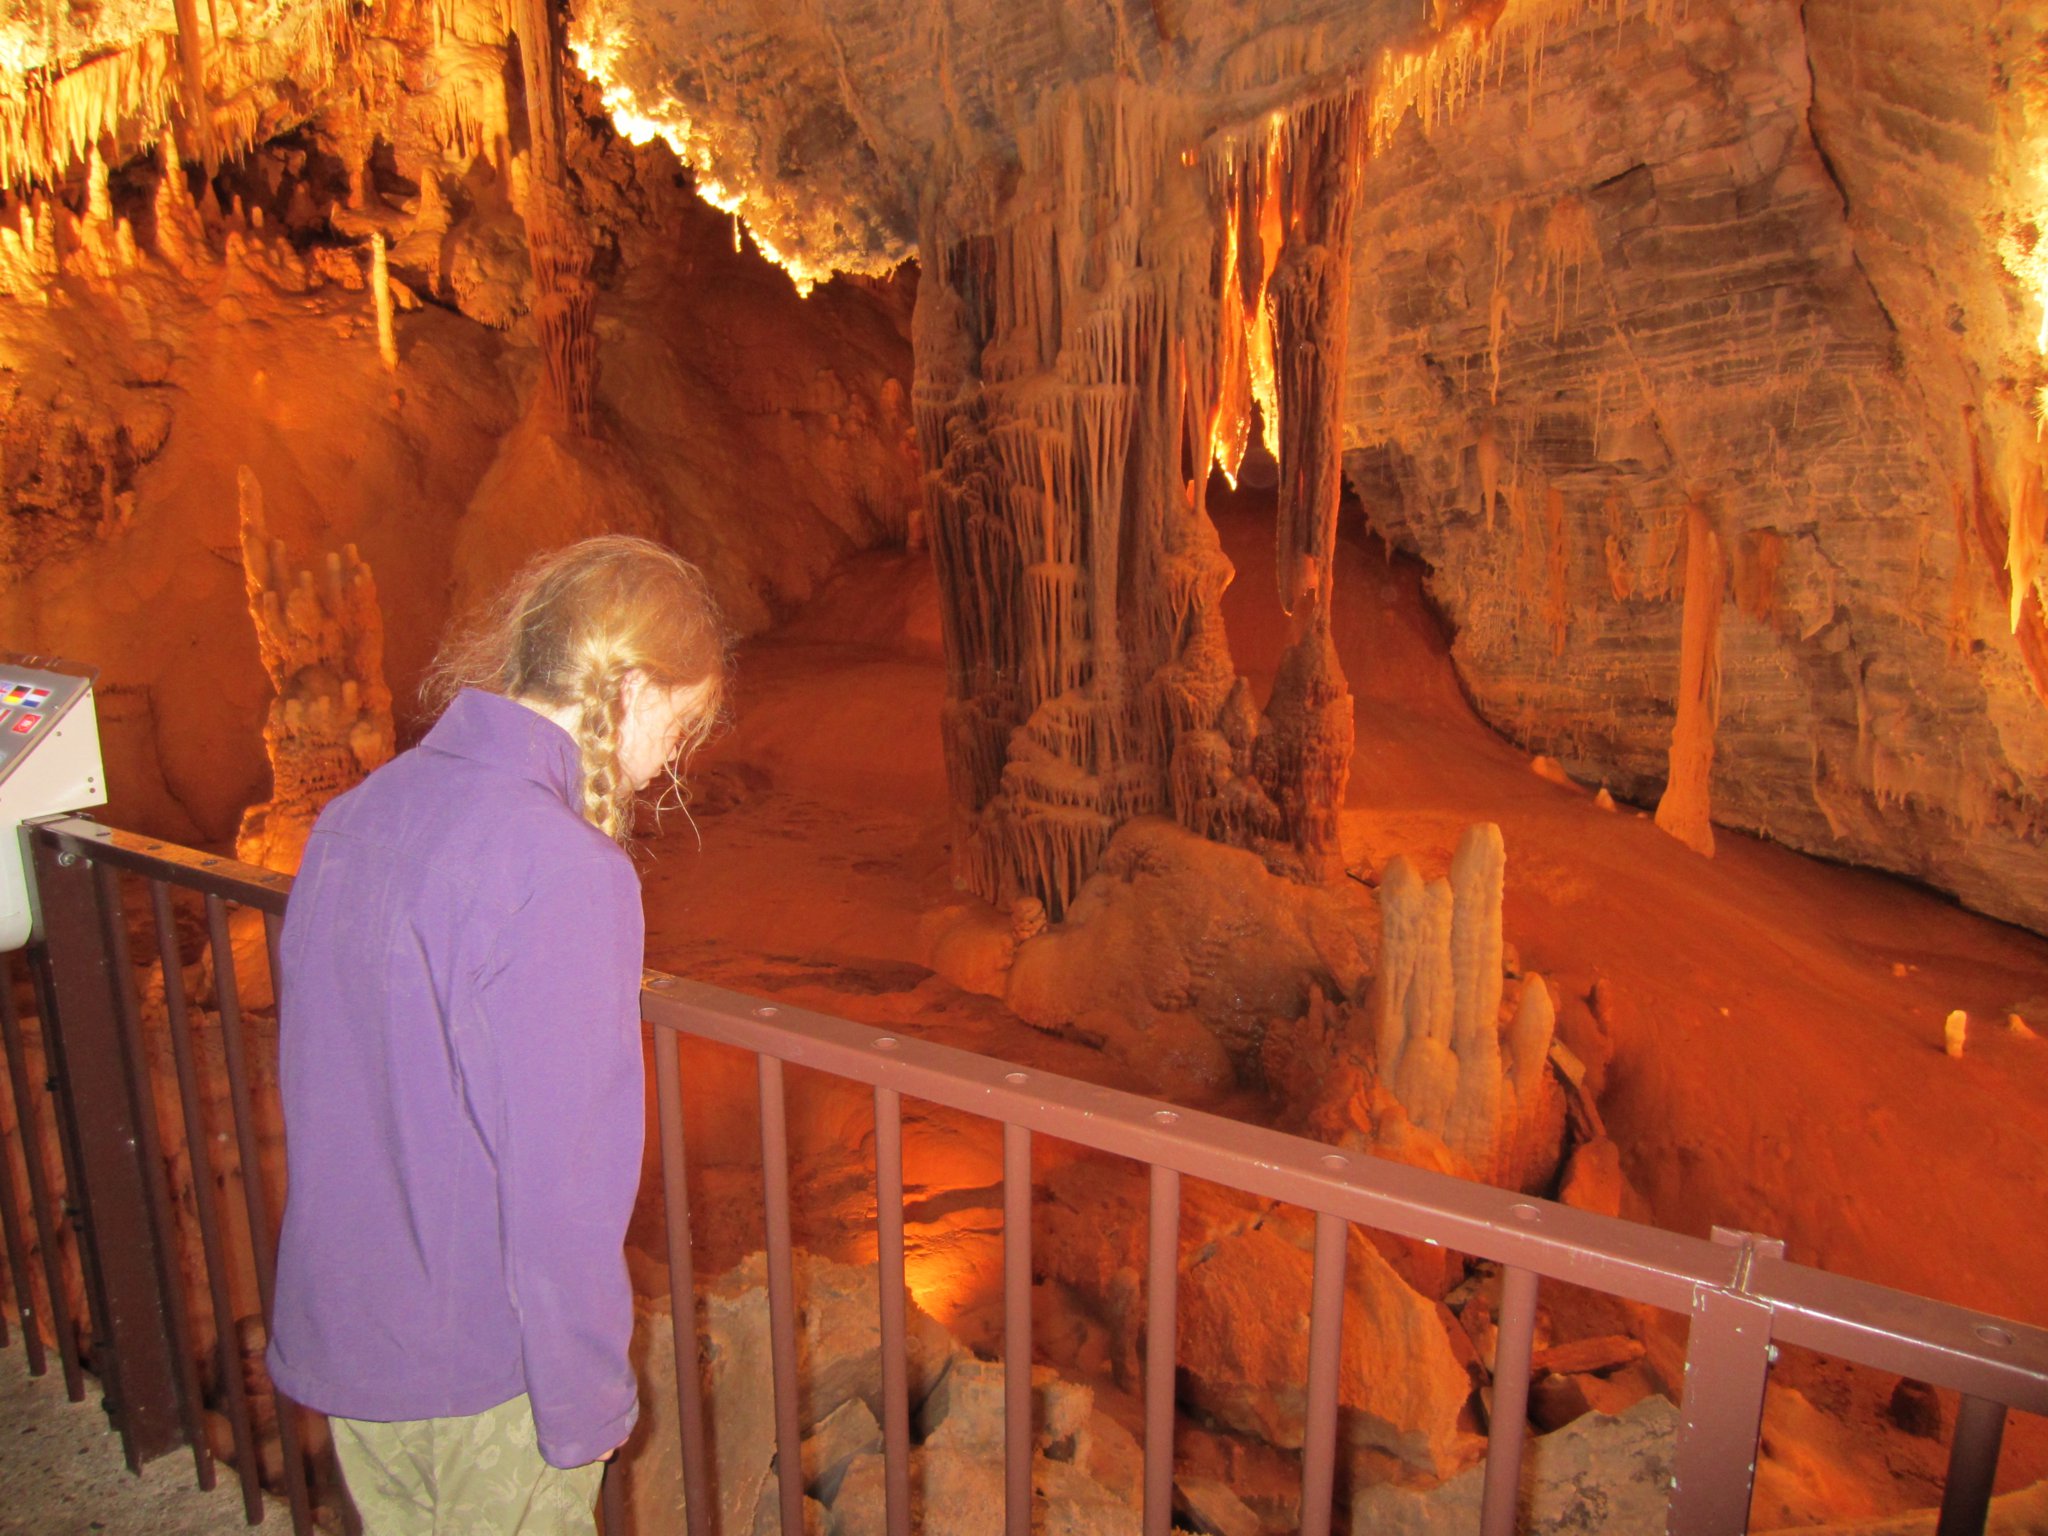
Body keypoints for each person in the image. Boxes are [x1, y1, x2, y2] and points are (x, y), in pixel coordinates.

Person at [266, 534, 727, 1535]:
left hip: (352, 1335)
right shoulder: (562, 871)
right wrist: (585, 1401)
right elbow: (562, 1182)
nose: (664, 767)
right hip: (477, 1369)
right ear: (635, 693)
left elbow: (324, 1086)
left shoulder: (360, 813)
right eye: (679, 729)